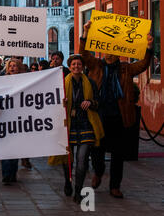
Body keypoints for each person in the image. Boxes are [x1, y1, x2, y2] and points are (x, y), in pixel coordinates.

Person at [81, 21, 154, 198]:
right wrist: (85, 33)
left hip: (119, 116)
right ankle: (98, 171)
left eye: (114, 51)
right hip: (99, 115)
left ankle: (115, 186)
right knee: (96, 150)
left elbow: (144, 64)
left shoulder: (126, 69)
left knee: (118, 154)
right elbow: (83, 54)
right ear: (103, 51)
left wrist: (149, 47)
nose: (110, 54)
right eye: (107, 50)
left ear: (119, 52)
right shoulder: (96, 66)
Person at [51, 54, 104, 203]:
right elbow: (53, 103)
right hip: (68, 125)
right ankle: (68, 181)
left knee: (82, 160)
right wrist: (62, 102)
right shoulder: (62, 83)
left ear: (83, 67)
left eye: (79, 64)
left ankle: (78, 191)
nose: (76, 66)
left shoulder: (90, 83)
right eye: (73, 64)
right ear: (69, 67)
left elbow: (98, 102)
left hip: (86, 124)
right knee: (68, 160)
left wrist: (90, 102)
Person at [1, 59, 22, 184]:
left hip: (18, 118)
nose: (12, 68)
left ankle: (13, 172)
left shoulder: (25, 80)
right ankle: (6, 174)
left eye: (14, 66)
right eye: (10, 66)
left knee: (15, 147)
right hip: (5, 117)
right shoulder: (1, 80)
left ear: (18, 68)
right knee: (5, 147)